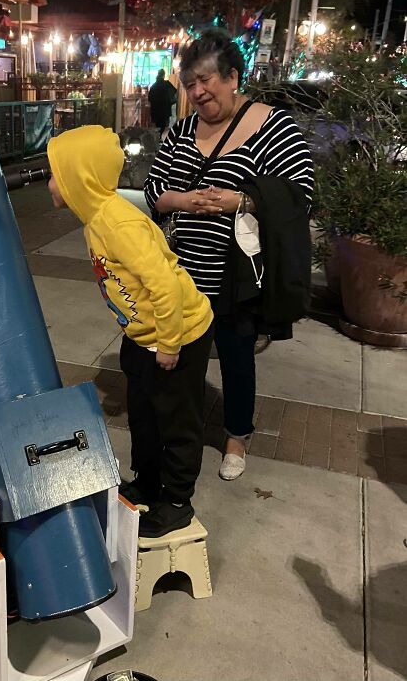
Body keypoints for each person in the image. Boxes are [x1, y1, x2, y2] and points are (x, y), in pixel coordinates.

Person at [144, 28, 313, 481]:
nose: (197, 92)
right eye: (190, 83)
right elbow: (153, 188)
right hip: (181, 271)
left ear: (233, 76)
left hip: (236, 274)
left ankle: (237, 435)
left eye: (206, 80)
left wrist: (242, 200)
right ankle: (181, 429)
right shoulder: (180, 131)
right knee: (180, 356)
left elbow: (301, 193)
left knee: (236, 356)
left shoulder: (271, 124)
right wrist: (184, 200)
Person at [47, 125, 214, 537]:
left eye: (55, 172)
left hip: (180, 334)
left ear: (77, 177)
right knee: (144, 413)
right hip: (145, 335)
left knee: (176, 420)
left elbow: (164, 285)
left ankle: (176, 502)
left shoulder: (119, 224)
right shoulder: (95, 220)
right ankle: (147, 481)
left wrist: (169, 344)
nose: (49, 181)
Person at [148, 69, 177, 136]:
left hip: (155, 109)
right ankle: (160, 136)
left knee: (157, 124)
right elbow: (174, 91)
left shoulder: (153, 86)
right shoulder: (167, 84)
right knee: (163, 124)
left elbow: (150, 98)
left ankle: (158, 136)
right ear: (164, 75)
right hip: (165, 109)